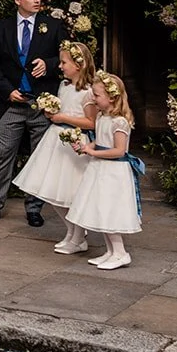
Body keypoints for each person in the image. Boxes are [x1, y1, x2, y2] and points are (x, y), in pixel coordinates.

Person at [0, 0, 67, 226]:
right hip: (13, 103)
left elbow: (67, 55)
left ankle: (34, 209)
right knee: (2, 154)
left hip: (42, 103)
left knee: (39, 157)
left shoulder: (53, 25)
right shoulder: (3, 27)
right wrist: (7, 90)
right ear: (18, 0)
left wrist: (49, 64)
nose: (37, 0)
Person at [13, 41, 97, 252]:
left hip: (75, 143)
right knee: (51, 192)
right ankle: (71, 232)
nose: (59, 66)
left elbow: (92, 123)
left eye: (63, 62)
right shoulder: (63, 86)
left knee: (70, 193)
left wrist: (62, 117)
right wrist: (52, 113)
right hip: (56, 141)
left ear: (78, 65)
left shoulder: (87, 92)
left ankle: (78, 237)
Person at [67, 70, 142, 270]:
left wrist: (94, 154)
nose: (93, 99)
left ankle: (120, 253)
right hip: (100, 170)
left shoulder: (120, 122)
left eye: (97, 95)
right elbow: (99, 142)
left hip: (113, 173)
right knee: (101, 209)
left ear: (112, 97)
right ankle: (110, 251)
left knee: (110, 210)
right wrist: (86, 148)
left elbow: (118, 150)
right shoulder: (101, 117)